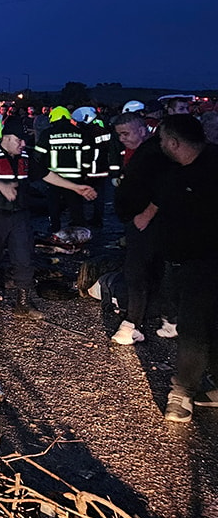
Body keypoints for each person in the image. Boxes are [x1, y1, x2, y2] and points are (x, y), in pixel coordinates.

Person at [0, 119, 98, 319]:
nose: (23, 144)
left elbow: (47, 175)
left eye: (24, 140)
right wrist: (2, 186)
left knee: (24, 257)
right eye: (19, 140)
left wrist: (76, 187)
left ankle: (22, 302)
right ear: (6, 137)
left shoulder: (26, 157)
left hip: (20, 215)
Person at [143, 115, 218, 422]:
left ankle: (182, 393)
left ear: (174, 142)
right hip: (183, 262)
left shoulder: (209, 169)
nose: (160, 146)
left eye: (162, 140)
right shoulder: (176, 172)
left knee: (195, 330)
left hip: (204, 262)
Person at [110, 111, 174, 345]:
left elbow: (163, 188)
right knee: (155, 269)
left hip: (146, 221)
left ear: (141, 130)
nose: (122, 139)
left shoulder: (153, 154)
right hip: (139, 219)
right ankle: (168, 317)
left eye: (126, 134)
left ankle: (132, 323)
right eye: (119, 135)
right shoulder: (136, 152)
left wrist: (146, 215)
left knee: (136, 271)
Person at [35, 106, 91, 232]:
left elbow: (38, 154)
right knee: (76, 204)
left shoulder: (47, 133)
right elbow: (87, 154)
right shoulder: (80, 133)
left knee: (53, 204)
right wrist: (85, 171)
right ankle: (80, 228)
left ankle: (55, 227)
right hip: (75, 176)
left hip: (54, 177)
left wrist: (42, 170)